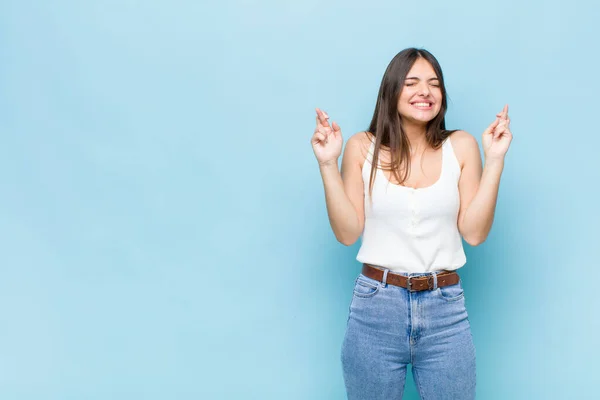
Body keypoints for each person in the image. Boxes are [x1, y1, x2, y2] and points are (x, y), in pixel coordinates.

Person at [310, 48, 512, 400]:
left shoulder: (461, 146)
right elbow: (347, 234)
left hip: (444, 307)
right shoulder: (361, 147)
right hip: (375, 306)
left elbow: (475, 233)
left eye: (434, 84)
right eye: (412, 82)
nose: (426, 91)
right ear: (392, 91)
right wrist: (328, 164)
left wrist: (494, 160)